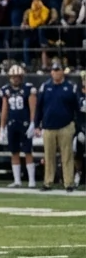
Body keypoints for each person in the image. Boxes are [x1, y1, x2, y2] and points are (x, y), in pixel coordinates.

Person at [37, 63, 77, 191]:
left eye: (58, 70)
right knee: (49, 156)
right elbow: (39, 107)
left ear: (62, 72)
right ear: (51, 73)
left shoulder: (70, 87)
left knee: (67, 156)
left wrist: (74, 124)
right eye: (53, 70)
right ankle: (48, 182)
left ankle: (69, 183)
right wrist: (37, 124)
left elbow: (76, 107)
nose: (55, 73)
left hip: (65, 126)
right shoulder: (45, 87)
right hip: (48, 126)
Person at [0, 65, 37, 188]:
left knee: (27, 151)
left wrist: (33, 123)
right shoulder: (6, 90)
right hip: (12, 124)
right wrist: (2, 127)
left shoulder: (28, 89)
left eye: (18, 77)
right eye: (13, 77)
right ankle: (17, 180)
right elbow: (4, 110)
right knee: (14, 152)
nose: (15, 79)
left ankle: (31, 180)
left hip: (24, 124)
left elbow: (33, 108)